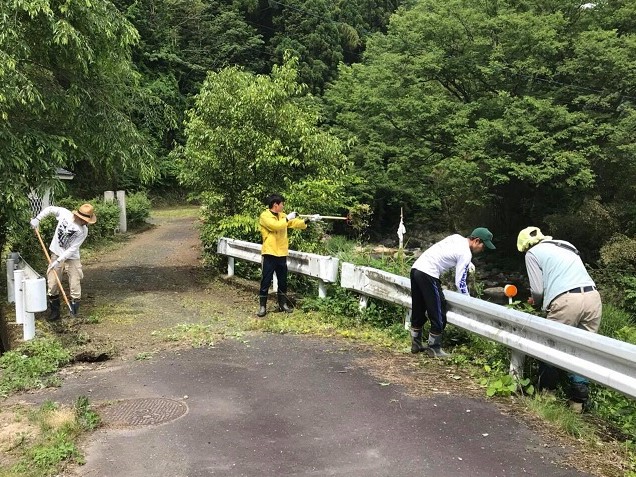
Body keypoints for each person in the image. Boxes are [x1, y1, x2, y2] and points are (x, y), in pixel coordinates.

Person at [517, 226, 602, 412]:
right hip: (593, 297)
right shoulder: (566, 245)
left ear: (524, 245)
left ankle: (548, 395)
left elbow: (538, 290)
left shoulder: (532, 253)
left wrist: (536, 302)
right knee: (582, 349)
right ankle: (578, 403)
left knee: (549, 346)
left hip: (566, 300)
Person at [410, 227, 495, 357]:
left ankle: (416, 344)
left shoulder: (456, 238)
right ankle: (434, 348)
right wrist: (467, 299)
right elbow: (460, 282)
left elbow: (446, 252)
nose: (482, 250)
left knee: (418, 308)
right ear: (476, 241)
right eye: (483, 246)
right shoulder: (466, 253)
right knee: (438, 311)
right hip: (429, 273)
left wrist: (468, 264)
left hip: (416, 269)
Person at [30, 203, 97, 320]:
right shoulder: (65, 214)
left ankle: (74, 313)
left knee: (75, 284)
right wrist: (37, 219)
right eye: (85, 220)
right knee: (52, 284)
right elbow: (50, 209)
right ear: (78, 216)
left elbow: (72, 249)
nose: (86, 222)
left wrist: (59, 261)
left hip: (72, 257)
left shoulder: (83, 231)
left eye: (88, 220)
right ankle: (55, 313)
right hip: (56, 253)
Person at [256, 194, 319, 318]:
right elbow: (275, 226)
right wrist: (287, 219)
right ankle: (262, 307)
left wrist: (308, 220)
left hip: (281, 253)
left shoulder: (283, 216)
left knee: (283, 280)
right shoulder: (265, 216)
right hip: (270, 252)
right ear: (276, 205)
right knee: (266, 280)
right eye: (282, 204)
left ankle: (283, 304)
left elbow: (295, 223)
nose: (283, 206)